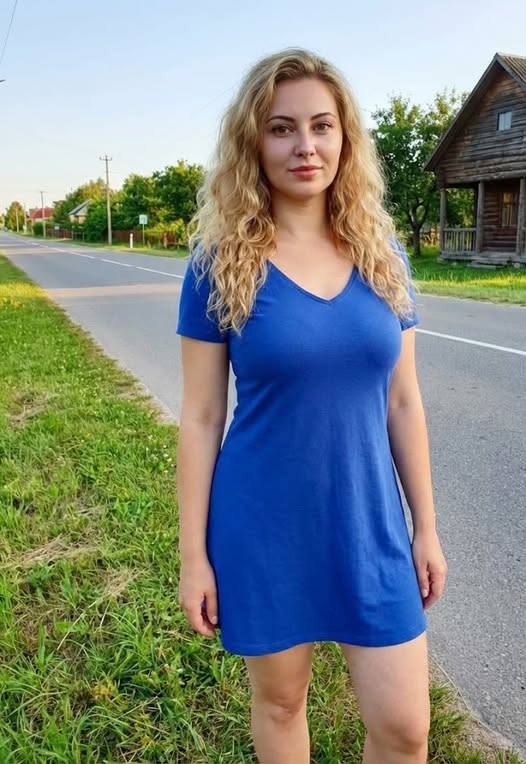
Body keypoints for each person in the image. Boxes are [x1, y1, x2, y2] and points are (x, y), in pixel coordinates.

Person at [176, 48, 447, 764]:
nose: (306, 146)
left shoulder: (384, 256)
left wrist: (425, 529)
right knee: (281, 703)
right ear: (253, 143)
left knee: (405, 730)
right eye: (282, 128)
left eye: (322, 126)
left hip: (371, 524)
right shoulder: (217, 264)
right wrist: (194, 556)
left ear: (344, 137)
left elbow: (403, 402)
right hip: (263, 526)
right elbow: (201, 418)